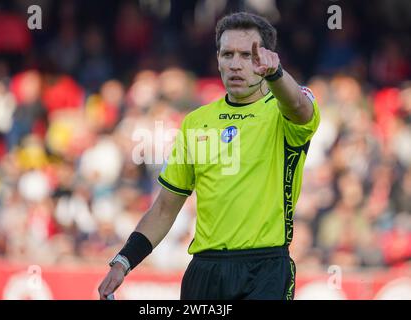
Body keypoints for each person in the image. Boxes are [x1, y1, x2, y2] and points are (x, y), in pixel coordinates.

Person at [98, 11, 320, 300]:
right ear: (217, 59)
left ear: (266, 59)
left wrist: (276, 74)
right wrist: (124, 260)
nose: (236, 64)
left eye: (247, 55)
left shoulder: (283, 110)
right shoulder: (197, 121)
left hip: (264, 269)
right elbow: (166, 207)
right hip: (205, 271)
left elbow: (301, 109)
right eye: (228, 54)